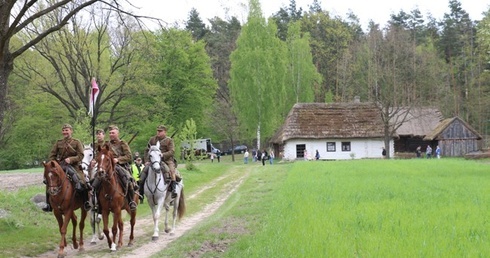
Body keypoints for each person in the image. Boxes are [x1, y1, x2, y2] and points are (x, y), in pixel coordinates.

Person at [43, 124, 90, 212]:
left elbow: (81, 155)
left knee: (82, 182)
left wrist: (71, 159)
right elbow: (52, 156)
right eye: (63, 131)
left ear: (71, 131)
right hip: (60, 166)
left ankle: (85, 202)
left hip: (74, 166)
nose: (65, 132)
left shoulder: (76, 142)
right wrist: (55, 164)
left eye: (67, 130)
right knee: (49, 182)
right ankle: (48, 204)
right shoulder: (58, 143)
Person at [139, 125, 179, 199]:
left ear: (165, 132)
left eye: (160, 131)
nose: (158, 132)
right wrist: (146, 161)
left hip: (166, 160)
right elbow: (147, 150)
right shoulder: (152, 140)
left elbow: (172, 151)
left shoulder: (169, 140)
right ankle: (140, 190)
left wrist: (162, 155)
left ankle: (173, 189)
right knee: (144, 171)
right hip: (154, 160)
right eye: (158, 131)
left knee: (171, 171)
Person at [106, 125, 138, 211]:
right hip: (108, 166)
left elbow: (129, 156)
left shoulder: (122, 143)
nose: (111, 134)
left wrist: (118, 159)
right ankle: (96, 202)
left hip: (120, 166)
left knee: (127, 180)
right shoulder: (106, 144)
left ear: (117, 133)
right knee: (97, 180)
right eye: (110, 133)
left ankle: (131, 201)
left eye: (113, 133)